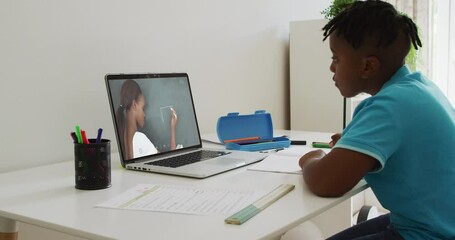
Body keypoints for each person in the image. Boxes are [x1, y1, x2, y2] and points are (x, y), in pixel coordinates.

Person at [297, 0, 455, 239]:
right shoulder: (418, 87)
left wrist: (312, 159)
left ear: (368, 66)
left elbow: (325, 182)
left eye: (336, 58)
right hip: (432, 219)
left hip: (431, 233)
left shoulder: (388, 106)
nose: (331, 67)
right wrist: (355, 145)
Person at [116, 79, 178, 160]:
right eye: (143, 108)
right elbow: (170, 160)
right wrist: (173, 129)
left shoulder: (123, 138)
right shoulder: (139, 139)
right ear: (134, 105)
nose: (144, 115)